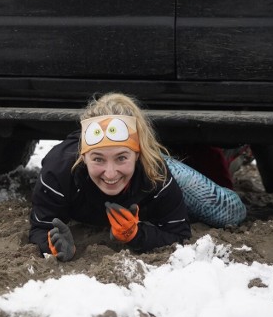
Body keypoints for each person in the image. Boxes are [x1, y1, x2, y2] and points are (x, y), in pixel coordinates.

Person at [29, 93, 192, 262]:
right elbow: (40, 228)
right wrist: (55, 247)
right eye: (98, 159)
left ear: (137, 154)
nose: (110, 173)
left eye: (121, 158)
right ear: (83, 156)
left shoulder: (156, 175)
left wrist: (136, 235)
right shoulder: (57, 173)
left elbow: (180, 235)